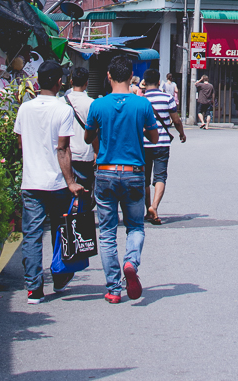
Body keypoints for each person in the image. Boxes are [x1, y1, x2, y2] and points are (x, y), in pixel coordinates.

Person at [84, 54, 159, 304]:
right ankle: (131, 262)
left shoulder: (98, 105)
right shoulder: (142, 105)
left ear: (108, 76)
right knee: (135, 226)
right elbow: (155, 137)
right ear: (130, 77)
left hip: (105, 172)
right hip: (134, 174)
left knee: (106, 232)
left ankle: (114, 289)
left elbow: (87, 137)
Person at [14, 59, 86, 304]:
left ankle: (34, 289)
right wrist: (71, 181)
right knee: (61, 231)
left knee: (32, 235)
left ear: (37, 82)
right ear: (59, 82)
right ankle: (59, 277)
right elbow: (63, 149)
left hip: (31, 182)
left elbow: (21, 144)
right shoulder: (62, 109)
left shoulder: (25, 108)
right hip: (56, 183)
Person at [140, 69, 186, 225]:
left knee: (144, 178)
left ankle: (148, 210)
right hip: (162, 143)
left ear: (144, 82)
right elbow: (176, 120)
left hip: (144, 143)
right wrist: (181, 134)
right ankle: (154, 206)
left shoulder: (140, 99)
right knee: (160, 176)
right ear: (159, 82)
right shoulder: (167, 98)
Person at [65, 66, 96, 193]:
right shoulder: (92, 103)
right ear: (86, 83)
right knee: (85, 190)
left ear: (71, 81)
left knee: (67, 190)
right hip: (85, 153)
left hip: (66, 153)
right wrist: (97, 152)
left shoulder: (62, 102)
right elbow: (95, 131)